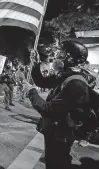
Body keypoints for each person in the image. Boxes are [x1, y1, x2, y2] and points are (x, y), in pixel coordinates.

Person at [27, 40, 93, 169]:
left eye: (60, 53)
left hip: (61, 133)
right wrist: (36, 64)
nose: (56, 55)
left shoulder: (76, 83)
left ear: (69, 57)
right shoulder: (67, 74)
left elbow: (48, 110)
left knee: (56, 163)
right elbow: (42, 82)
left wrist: (31, 91)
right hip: (56, 130)